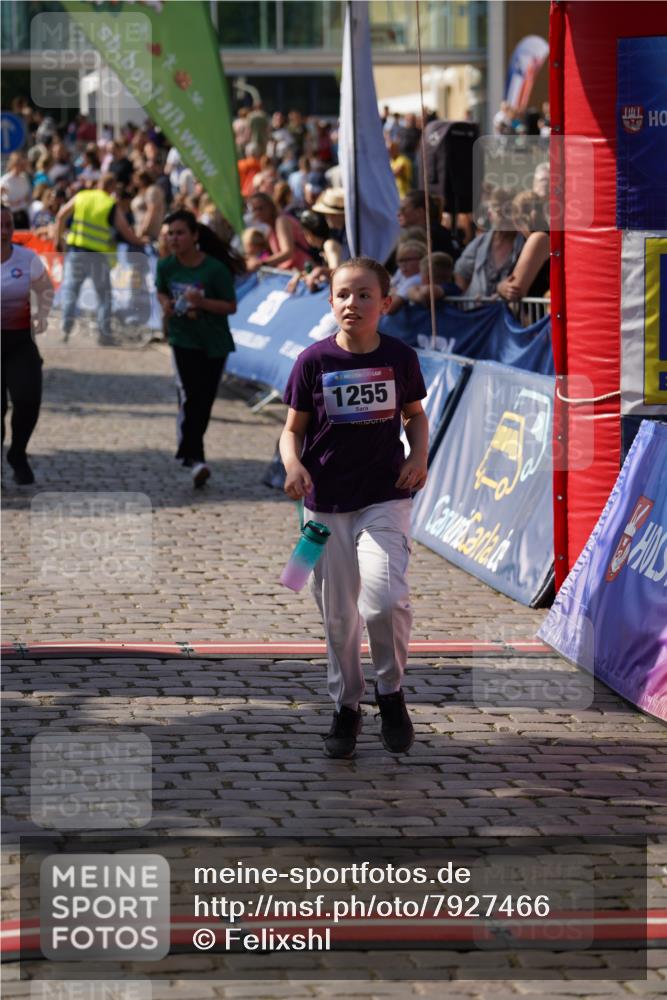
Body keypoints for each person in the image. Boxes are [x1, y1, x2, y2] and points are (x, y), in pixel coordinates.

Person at [279, 256, 428, 759]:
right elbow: (292, 430)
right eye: (344, 294)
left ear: (385, 303)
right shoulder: (313, 361)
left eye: (365, 295)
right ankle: (346, 707)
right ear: (330, 300)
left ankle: (391, 693)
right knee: (339, 618)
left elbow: (416, 417)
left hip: (385, 497)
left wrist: (420, 454)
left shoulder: (400, 357)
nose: (353, 303)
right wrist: (293, 466)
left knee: (384, 601)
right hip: (324, 508)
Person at [156, 210, 240, 488]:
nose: (174, 239)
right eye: (170, 234)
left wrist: (200, 303)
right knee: (190, 393)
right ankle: (196, 458)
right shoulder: (166, 266)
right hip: (183, 339)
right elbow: (162, 291)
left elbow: (230, 306)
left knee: (202, 400)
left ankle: (190, 451)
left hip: (214, 342)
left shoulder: (214, 269)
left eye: (180, 233)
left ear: (194, 236)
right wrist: (167, 304)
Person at [53, 172, 147, 344]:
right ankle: (104, 335)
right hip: (98, 256)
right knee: (104, 296)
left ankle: (65, 330)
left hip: (76, 252)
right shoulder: (109, 204)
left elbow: (60, 216)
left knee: (71, 291)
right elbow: (125, 230)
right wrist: (140, 241)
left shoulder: (81, 196)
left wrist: (58, 243)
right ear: (111, 187)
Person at [1, 205, 54, 484]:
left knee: (28, 400)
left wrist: (41, 314)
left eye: (8, 225)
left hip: (20, 340)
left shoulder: (26, 258)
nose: (4, 231)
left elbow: (46, 289)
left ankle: (18, 452)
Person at [454, 188, 525, 299]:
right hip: (477, 312)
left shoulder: (525, 243)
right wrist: (466, 297)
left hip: (508, 314)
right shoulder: (480, 243)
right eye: (498, 211)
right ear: (490, 214)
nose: (504, 217)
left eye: (508, 211)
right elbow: (461, 271)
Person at [496, 190, 550, 302]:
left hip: (538, 317)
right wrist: (500, 288)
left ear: (516, 220)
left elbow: (515, 289)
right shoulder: (542, 238)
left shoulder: (538, 239)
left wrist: (500, 287)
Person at [246, 192, 311, 272]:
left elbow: (288, 253)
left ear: (270, 206)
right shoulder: (270, 229)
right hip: (294, 273)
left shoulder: (281, 221)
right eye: (255, 209)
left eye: (261, 208)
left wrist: (261, 263)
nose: (258, 213)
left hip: (305, 271)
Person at [386, 240, 424, 313]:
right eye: (400, 261)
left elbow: (390, 308)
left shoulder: (416, 279)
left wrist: (393, 292)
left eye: (408, 260)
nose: (403, 264)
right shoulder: (403, 273)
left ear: (421, 259)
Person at [0, 153, 32, 229]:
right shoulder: (5, 180)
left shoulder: (24, 179)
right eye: (17, 164)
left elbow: (28, 196)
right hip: (10, 214)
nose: (19, 167)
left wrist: (22, 201)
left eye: (21, 164)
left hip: (23, 213)